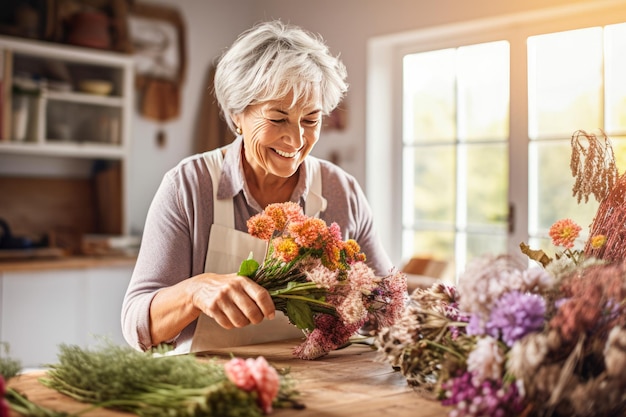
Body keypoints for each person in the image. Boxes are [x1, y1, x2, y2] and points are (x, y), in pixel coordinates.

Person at [121, 20, 393, 354]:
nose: (295, 140)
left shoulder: (342, 191)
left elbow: (387, 307)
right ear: (237, 114)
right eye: (277, 118)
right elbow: (138, 326)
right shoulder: (189, 186)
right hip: (213, 391)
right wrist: (195, 292)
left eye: (311, 119)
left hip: (320, 388)